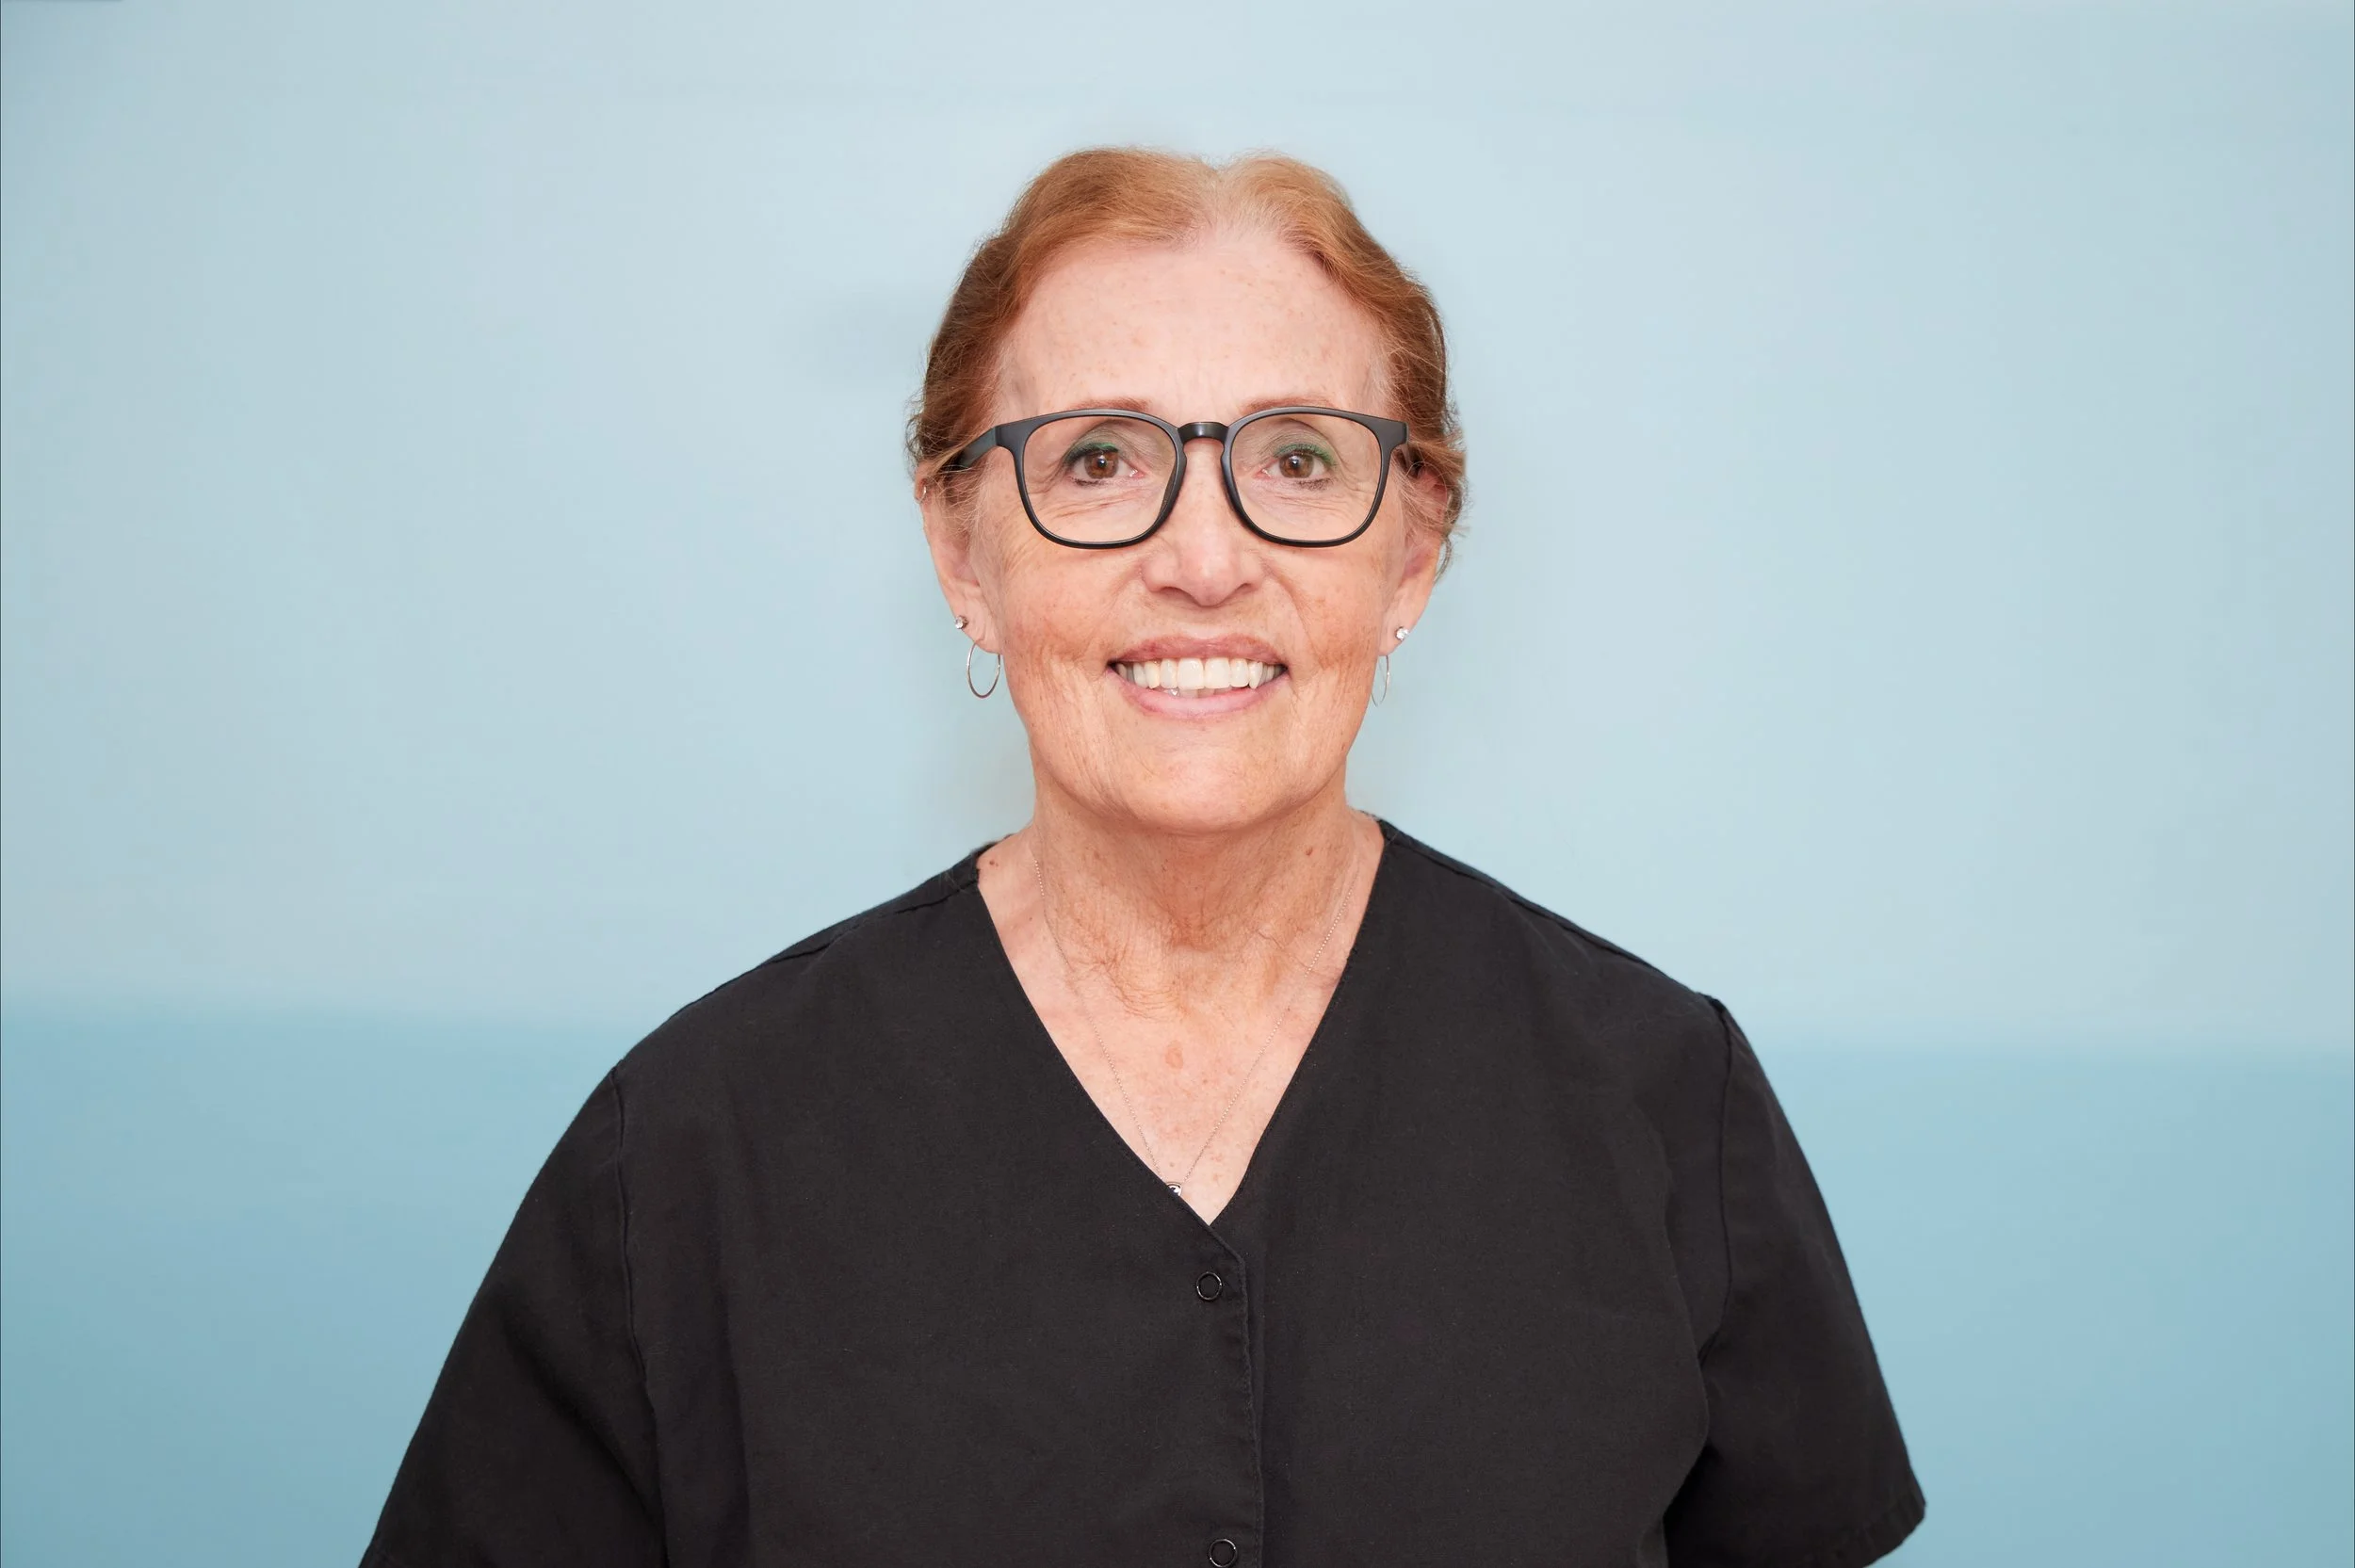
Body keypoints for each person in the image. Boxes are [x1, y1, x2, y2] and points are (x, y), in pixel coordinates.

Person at [362, 148, 1923, 1568]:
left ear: (1416, 550)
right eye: (1098, 459)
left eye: (1300, 460)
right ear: (963, 552)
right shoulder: (694, 1151)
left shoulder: (1662, 1102)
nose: (1203, 558)